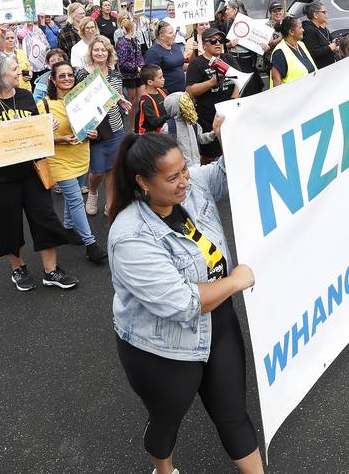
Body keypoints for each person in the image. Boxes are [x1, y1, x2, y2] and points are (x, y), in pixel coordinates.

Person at [106, 129, 263, 474]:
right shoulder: (130, 235)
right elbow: (182, 303)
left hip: (218, 323)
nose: (184, 181)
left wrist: (232, 132)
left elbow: (230, 169)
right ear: (143, 183)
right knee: (166, 422)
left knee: (234, 413)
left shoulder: (193, 188)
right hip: (163, 348)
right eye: (173, 176)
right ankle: (164, 470)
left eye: (185, 169)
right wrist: (235, 281)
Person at [0, 52, 80, 290]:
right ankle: (18, 268)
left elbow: (35, 134)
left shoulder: (25, 96)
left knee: (44, 219)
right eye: (14, 69)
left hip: (32, 172)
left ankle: (51, 271)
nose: (19, 73)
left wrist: (49, 127)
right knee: (8, 224)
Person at [40, 60, 107, 263]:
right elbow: (38, 136)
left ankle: (68, 228)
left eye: (70, 75)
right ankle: (91, 244)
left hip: (81, 155)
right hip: (59, 160)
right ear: (53, 79)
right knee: (77, 200)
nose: (67, 79)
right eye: (62, 76)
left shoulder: (81, 100)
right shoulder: (43, 105)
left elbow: (91, 127)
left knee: (74, 197)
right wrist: (60, 138)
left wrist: (93, 133)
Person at [83, 38, 132, 216]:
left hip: (116, 126)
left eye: (103, 50)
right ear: (91, 52)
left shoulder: (116, 74)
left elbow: (116, 95)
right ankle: (93, 192)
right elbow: (79, 102)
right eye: (96, 50)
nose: (100, 53)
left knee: (112, 168)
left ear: (109, 52)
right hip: (96, 128)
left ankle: (110, 205)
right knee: (97, 171)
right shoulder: (83, 74)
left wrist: (121, 101)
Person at [185, 29, 240, 163]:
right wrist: (211, 83)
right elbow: (190, 91)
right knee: (209, 154)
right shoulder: (197, 63)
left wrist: (234, 100)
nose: (218, 44)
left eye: (221, 41)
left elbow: (239, 81)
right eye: (213, 41)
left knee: (232, 150)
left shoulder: (228, 59)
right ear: (204, 45)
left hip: (230, 113)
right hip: (208, 117)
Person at [269, 16, 316, 87]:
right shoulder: (279, 52)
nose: (303, 30)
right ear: (291, 32)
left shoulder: (301, 44)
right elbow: (276, 82)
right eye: (300, 28)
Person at [144, 21, 189, 94]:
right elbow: (150, 77)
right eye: (170, 33)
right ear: (162, 36)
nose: (174, 35)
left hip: (182, 91)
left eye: (173, 32)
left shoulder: (175, 46)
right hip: (166, 93)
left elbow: (179, 65)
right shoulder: (153, 53)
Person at [115, 11, 144, 109]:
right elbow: (123, 61)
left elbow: (139, 55)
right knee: (132, 101)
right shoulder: (121, 42)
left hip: (138, 74)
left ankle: (138, 120)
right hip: (129, 75)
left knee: (140, 99)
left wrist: (141, 67)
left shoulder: (136, 40)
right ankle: (132, 124)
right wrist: (136, 68)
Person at [134, 64, 170, 135]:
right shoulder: (145, 101)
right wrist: (171, 114)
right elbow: (154, 122)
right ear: (150, 82)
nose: (164, 79)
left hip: (164, 131)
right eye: (160, 77)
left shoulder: (163, 92)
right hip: (152, 136)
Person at [300, 2, 337, 69]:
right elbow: (313, 53)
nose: (326, 14)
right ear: (315, 15)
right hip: (320, 70)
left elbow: (330, 41)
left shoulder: (321, 28)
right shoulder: (309, 30)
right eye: (324, 12)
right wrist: (330, 47)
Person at [0, 28, 33, 92]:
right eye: (7, 38)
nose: (11, 40)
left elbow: (29, 69)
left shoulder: (21, 52)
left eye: (12, 38)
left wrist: (29, 75)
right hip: (7, 91)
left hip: (25, 89)